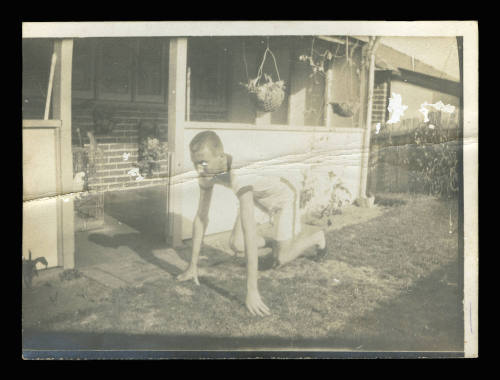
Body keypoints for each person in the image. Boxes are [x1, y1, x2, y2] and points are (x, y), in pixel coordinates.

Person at [177, 131, 327, 316]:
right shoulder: (206, 174)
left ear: (221, 157)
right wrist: (193, 266)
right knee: (236, 245)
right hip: (255, 196)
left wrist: (252, 291)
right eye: (195, 163)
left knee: (281, 259)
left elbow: (250, 231)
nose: (199, 169)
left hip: (283, 198)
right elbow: (201, 217)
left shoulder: (241, 173)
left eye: (204, 163)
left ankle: (316, 238)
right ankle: (276, 243)